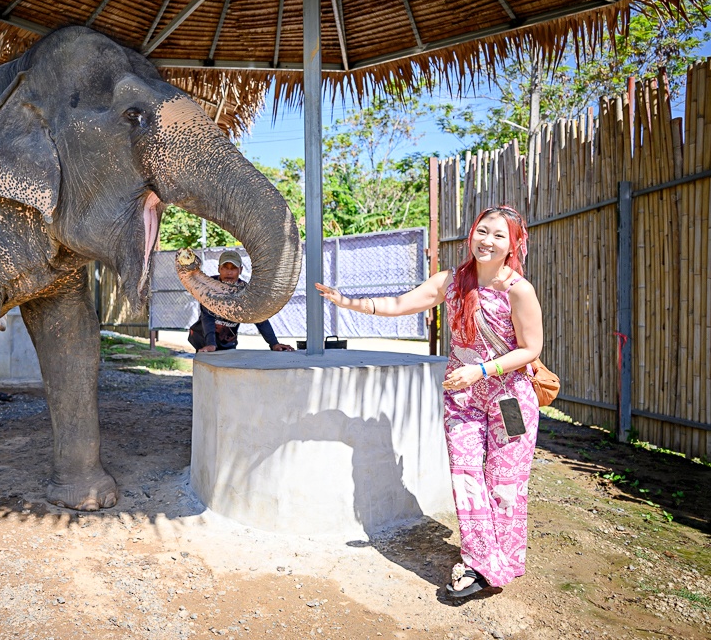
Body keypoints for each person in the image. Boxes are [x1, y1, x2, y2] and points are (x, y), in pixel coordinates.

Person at [315, 205, 543, 599]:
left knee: (505, 483)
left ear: (513, 245)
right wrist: (349, 303)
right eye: (482, 231)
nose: (487, 241)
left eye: (498, 235)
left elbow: (531, 348)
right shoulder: (451, 282)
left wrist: (482, 371)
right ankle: (477, 563)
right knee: (468, 479)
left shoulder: (517, 290)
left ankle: (502, 560)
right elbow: (402, 304)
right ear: (471, 234)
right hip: (462, 396)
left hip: (508, 397)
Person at [189, 250, 295, 353]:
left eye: (233, 268)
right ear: (219, 269)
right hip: (204, 339)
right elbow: (207, 316)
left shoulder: (245, 292)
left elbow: (259, 318)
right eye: (225, 268)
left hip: (227, 342)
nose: (229, 272)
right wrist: (210, 344)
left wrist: (274, 343)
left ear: (241, 270)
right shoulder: (209, 286)